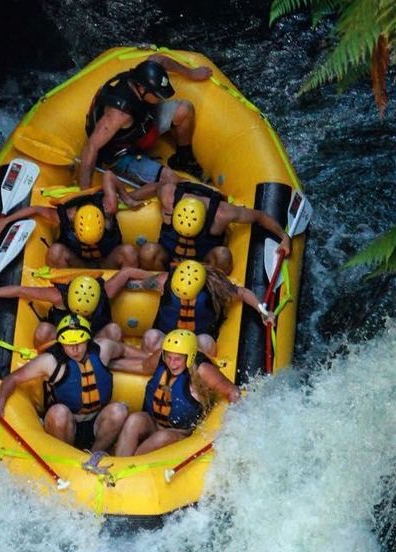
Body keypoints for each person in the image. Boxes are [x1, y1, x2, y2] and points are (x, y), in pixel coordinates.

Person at [0, 315, 129, 452]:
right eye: (69, 344)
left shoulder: (103, 348)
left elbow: (124, 350)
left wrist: (147, 357)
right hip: (66, 423)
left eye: (79, 343)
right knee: (58, 412)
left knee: (119, 410)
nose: (75, 349)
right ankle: (67, 456)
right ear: (61, 343)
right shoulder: (49, 361)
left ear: (87, 340)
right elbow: (13, 378)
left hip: (97, 421)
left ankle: (94, 454)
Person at [79, 55, 213, 189]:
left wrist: (191, 73)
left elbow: (160, 60)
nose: (161, 99)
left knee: (185, 109)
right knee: (170, 179)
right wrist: (84, 196)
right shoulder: (118, 114)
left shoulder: (142, 76)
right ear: (142, 89)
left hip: (142, 123)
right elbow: (91, 147)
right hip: (120, 154)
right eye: (158, 96)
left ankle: (184, 159)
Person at [113, 329, 241, 457]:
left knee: (161, 437)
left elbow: (233, 391)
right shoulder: (161, 357)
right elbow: (142, 366)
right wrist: (106, 363)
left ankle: (131, 465)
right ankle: (119, 463)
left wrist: (232, 426)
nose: (172, 364)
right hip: (153, 423)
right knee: (134, 420)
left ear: (189, 357)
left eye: (178, 359)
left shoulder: (203, 370)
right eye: (169, 357)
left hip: (181, 434)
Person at [128, 178, 292, 272]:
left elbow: (259, 216)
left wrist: (284, 237)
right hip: (168, 257)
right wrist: (129, 198)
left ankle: (211, 292)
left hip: (204, 262)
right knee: (148, 251)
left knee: (223, 255)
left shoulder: (222, 213)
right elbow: (157, 186)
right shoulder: (168, 198)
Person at [0, 170, 139, 269]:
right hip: (79, 263)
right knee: (56, 250)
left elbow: (108, 175)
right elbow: (36, 209)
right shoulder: (64, 217)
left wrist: (127, 199)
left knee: (129, 251)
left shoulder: (109, 207)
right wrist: (5, 221)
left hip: (107, 261)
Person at [124, 261, 270, 359]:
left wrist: (263, 312)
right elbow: (138, 285)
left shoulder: (213, 285)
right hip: (166, 339)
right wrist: (123, 280)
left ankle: (198, 376)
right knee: (151, 335)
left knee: (206, 341)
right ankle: (151, 370)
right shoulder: (163, 281)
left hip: (197, 342)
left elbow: (242, 293)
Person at [0, 268, 135, 349]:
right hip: (62, 341)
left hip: (93, 340)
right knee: (43, 330)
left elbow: (127, 272)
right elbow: (20, 290)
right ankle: (41, 357)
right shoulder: (57, 296)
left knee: (114, 330)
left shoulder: (106, 291)